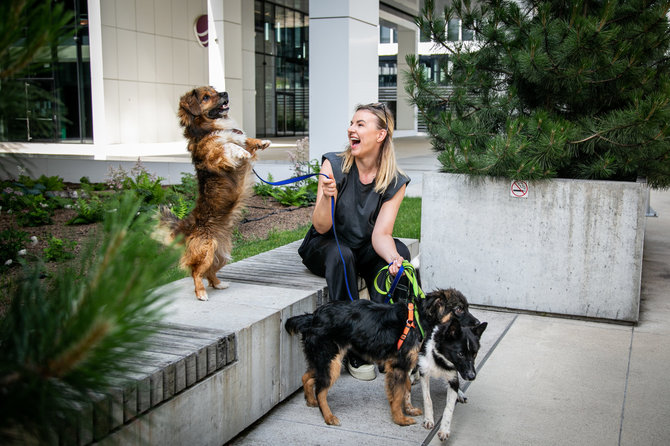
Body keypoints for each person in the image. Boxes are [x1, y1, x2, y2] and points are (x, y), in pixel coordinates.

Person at [298, 102, 411, 381]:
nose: (352, 129)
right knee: (342, 254)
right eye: (352, 123)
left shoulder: (395, 180)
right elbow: (321, 225)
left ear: (381, 134)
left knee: (400, 253)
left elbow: (381, 235)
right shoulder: (334, 164)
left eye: (361, 124)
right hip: (325, 245)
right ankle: (355, 348)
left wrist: (394, 259)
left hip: (363, 246)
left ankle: (390, 342)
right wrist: (326, 195)